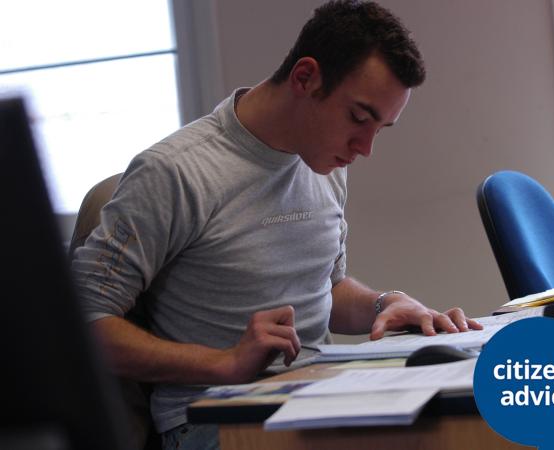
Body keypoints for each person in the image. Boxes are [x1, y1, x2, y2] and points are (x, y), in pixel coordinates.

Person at [71, 1, 482, 448]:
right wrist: (223, 363)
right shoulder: (174, 172)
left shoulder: (323, 161)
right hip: (215, 418)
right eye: (359, 118)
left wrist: (384, 305)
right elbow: (82, 324)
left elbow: (324, 288)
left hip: (316, 392)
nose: (365, 147)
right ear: (305, 78)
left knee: (474, 420)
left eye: (380, 128)